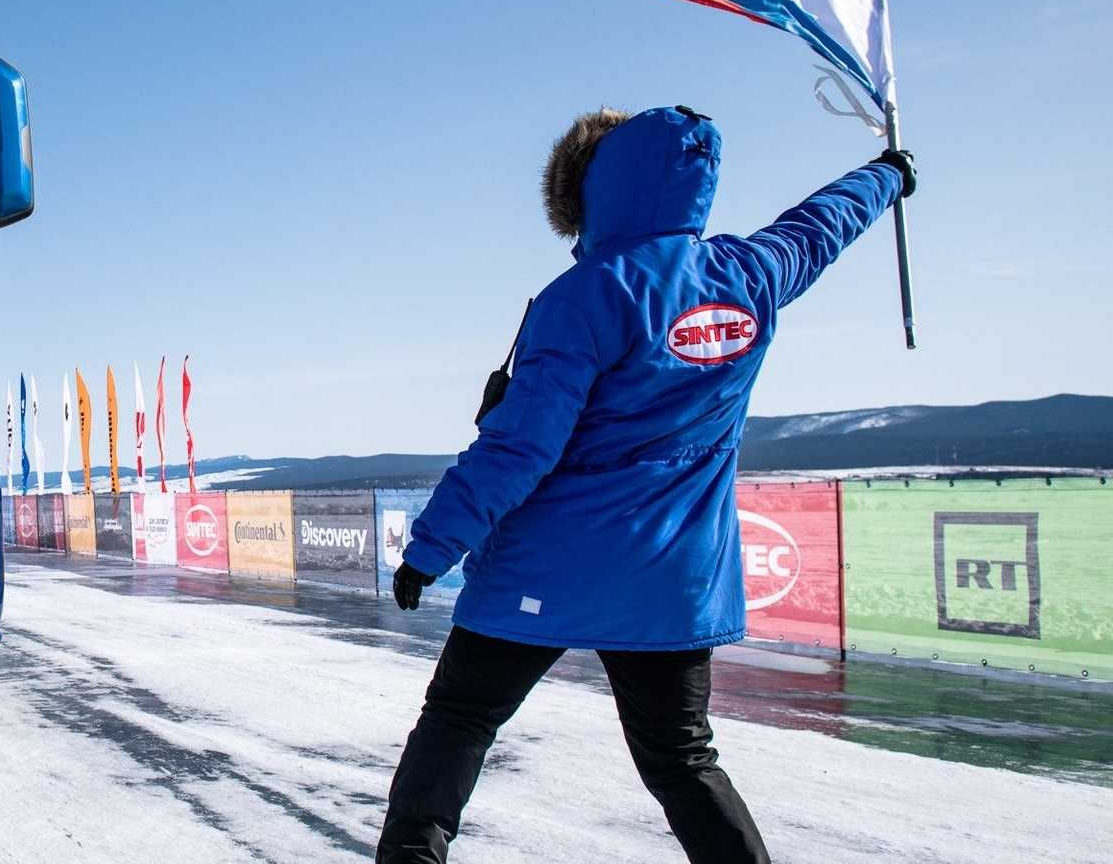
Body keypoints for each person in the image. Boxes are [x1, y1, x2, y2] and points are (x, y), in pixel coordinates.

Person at [378, 105, 916, 864]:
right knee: (681, 759)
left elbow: (521, 444)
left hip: (545, 571)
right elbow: (818, 226)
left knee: (461, 719)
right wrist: (884, 178)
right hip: (673, 579)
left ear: (588, 188)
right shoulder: (748, 272)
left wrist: (432, 545)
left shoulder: (584, 295)